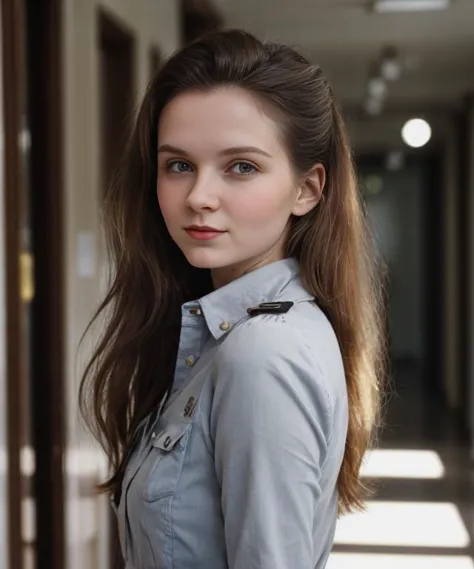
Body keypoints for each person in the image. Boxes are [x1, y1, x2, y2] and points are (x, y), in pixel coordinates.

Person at [79, 29, 385, 569]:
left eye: (241, 166)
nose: (199, 196)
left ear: (307, 189)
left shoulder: (261, 354)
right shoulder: (228, 333)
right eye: (178, 165)